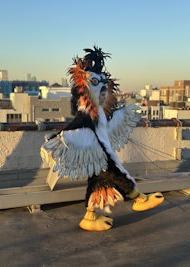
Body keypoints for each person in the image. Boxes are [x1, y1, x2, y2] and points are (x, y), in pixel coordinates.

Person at [40, 46, 164, 231]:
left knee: (98, 182)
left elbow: (107, 119)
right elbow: (75, 127)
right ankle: (138, 198)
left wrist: (123, 112)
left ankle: (89, 217)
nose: (103, 88)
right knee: (113, 171)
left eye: (104, 83)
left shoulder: (99, 112)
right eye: (97, 82)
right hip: (99, 152)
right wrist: (57, 138)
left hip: (99, 152)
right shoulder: (86, 114)